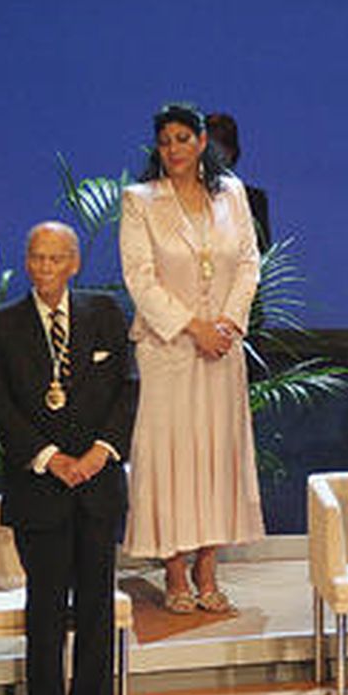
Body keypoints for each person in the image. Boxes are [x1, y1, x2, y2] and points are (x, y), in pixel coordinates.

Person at [0, 222, 135, 695]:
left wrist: (99, 453)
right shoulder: (1, 325)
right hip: (38, 490)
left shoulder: (105, 313)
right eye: (36, 258)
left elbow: (127, 390)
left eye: (55, 258)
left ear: (74, 264)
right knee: (44, 614)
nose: (44, 268)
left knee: (96, 611)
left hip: (97, 487)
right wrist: (51, 459)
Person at [118, 103, 265, 613]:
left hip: (222, 347)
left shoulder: (232, 194)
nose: (174, 149)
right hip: (169, 348)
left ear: (202, 142)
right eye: (165, 141)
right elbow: (140, 278)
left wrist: (227, 323)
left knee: (216, 455)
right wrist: (194, 327)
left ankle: (208, 569)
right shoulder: (140, 200)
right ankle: (175, 571)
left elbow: (248, 263)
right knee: (171, 458)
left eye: (183, 138)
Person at [205, 112, 272, 253]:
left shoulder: (253, 200)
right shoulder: (177, 197)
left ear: (231, 154)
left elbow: (262, 254)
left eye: (219, 149)